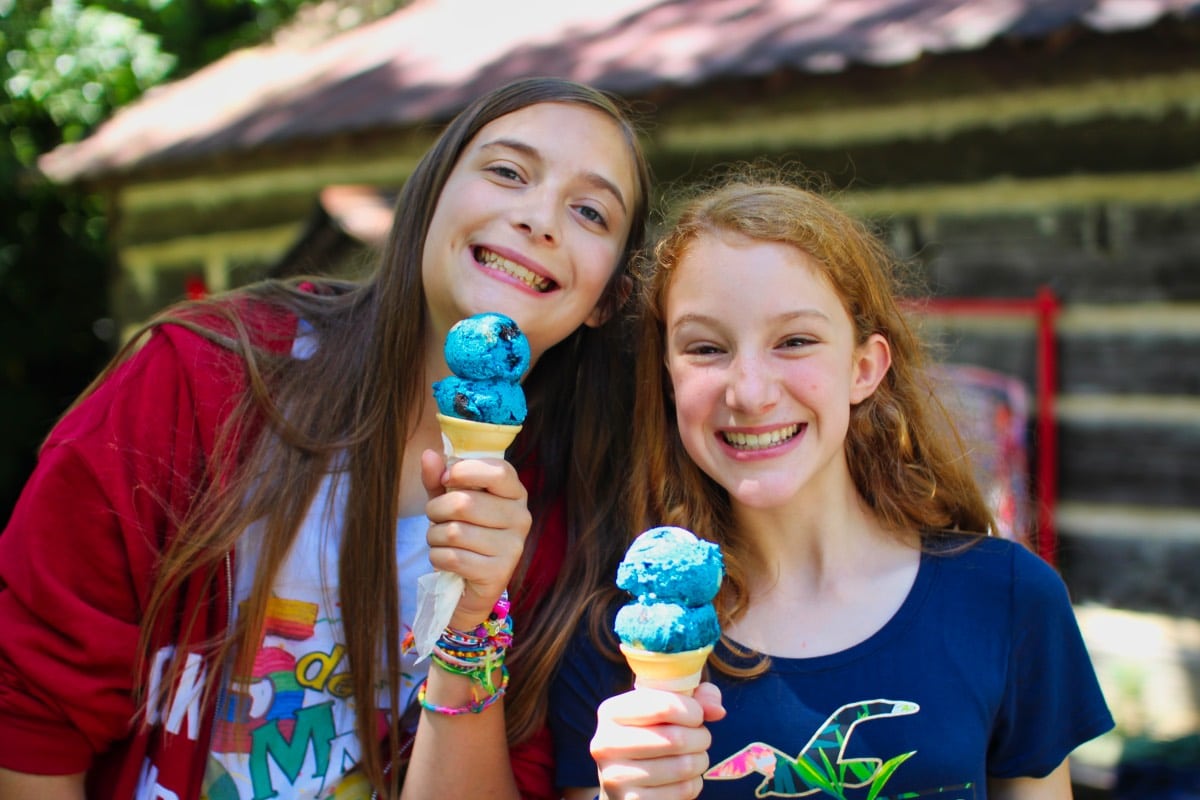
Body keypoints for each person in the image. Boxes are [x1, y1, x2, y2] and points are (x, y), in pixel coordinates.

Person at [0, 76, 651, 800]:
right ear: (427, 195)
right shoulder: (205, 378)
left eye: (590, 211)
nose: (540, 219)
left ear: (608, 299)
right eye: (507, 171)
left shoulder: (577, 527)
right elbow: (32, 713)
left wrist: (472, 627)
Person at [548, 170, 1115, 799]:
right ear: (668, 377)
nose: (750, 392)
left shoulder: (1009, 601)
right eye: (706, 349)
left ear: (864, 367)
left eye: (794, 341)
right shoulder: (613, 641)